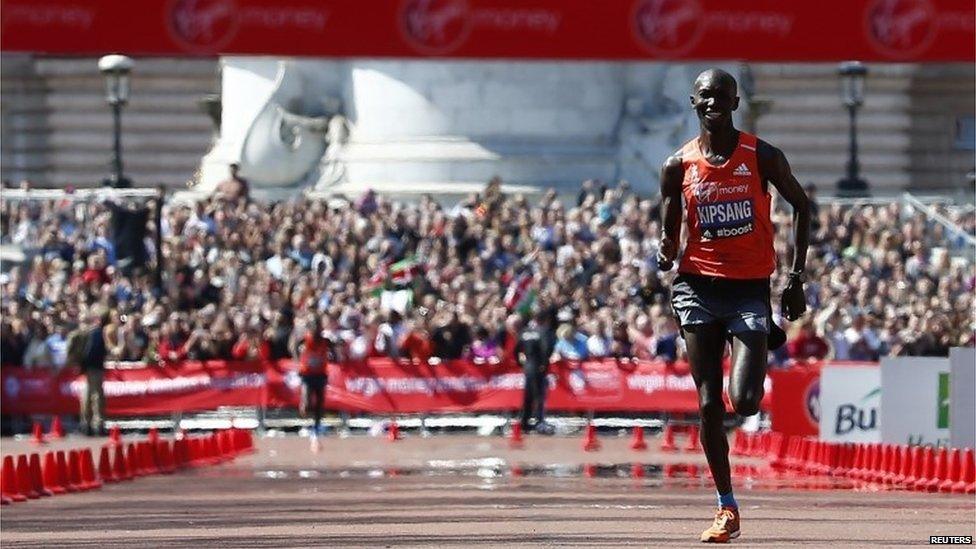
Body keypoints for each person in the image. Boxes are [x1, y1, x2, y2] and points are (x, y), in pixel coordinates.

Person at [657, 69, 809, 543]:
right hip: (698, 286)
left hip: (748, 288)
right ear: (693, 102)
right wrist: (665, 247)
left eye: (722, 96)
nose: (714, 103)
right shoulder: (677, 165)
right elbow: (669, 225)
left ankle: (762, 332)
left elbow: (803, 205)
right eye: (706, 96)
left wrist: (796, 277)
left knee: (743, 403)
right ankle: (726, 507)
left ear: (736, 101)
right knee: (707, 403)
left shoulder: (761, 156)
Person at [514, 309, 554, 434]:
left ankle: (524, 421)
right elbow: (546, 349)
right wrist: (544, 364)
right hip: (538, 367)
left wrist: (520, 363)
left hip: (528, 367)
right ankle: (539, 422)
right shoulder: (543, 332)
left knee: (528, 396)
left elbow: (516, 350)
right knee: (539, 395)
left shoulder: (524, 332)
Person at [297, 315, 331, 452]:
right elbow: (292, 345)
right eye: (314, 327)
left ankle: (316, 429)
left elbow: (334, 349)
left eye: (319, 327)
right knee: (306, 404)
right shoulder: (305, 339)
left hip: (321, 374)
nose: (317, 329)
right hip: (307, 374)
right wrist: (297, 358)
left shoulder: (325, 340)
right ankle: (307, 421)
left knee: (320, 403)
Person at [79, 311, 110, 436]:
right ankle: (97, 423)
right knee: (97, 396)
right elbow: (93, 351)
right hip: (95, 368)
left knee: (87, 394)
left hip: (88, 368)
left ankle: (85, 422)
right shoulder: (96, 333)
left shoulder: (84, 333)